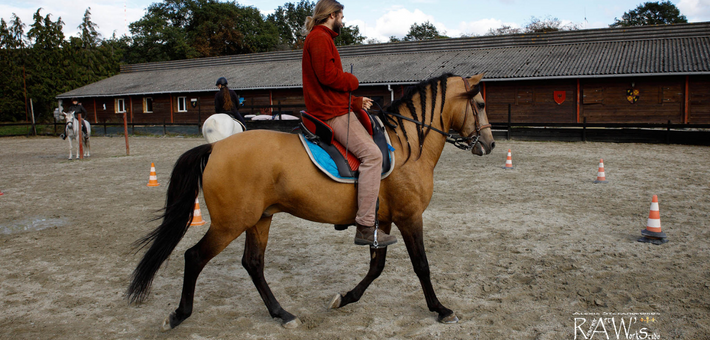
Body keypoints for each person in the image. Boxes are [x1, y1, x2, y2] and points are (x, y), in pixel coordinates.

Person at [301, 0, 396, 247]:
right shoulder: (321, 38)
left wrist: (354, 102)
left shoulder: (320, 37)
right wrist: (352, 80)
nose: (343, 21)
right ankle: (365, 225)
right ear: (332, 15)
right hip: (331, 114)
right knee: (373, 156)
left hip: (333, 107)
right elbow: (328, 76)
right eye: (341, 16)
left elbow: (327, 88)